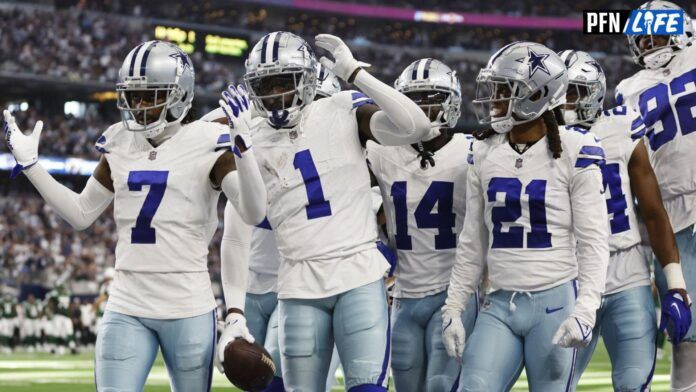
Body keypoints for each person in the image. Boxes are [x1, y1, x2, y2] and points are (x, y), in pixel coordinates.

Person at [3, 40, 266, 391]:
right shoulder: (119, 142)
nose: (139, 106)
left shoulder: (211, 140)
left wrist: (244, 151)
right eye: (133, 96)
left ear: (179, 95)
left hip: (187, 303)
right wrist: (33, 167)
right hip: (127, 299)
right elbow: (82, 214)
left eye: (150, 95)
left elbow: (252, 211)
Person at [238, 31, 431, 391]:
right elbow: (249, 214)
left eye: (285, 82)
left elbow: (415, 126)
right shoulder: (250, 134)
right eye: (265, 85)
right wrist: (240, 151)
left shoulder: (342, 107)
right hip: (297, 283)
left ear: (308, 79)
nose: (275, 95)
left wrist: (356, 72)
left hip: (357, 274)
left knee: (367, 388)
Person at [442, 41, 609, 391]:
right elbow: (473, 241)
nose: (494, 98)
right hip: (500, 302)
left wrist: (585, 310)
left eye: (504, 90)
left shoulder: (575, 150)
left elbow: (593, 240)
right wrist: (453, 309)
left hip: (555, 302)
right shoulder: (485, 152)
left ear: (537, 95)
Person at [560, 49, 691, 390]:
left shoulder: (621, 127)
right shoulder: (540, 141)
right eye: (558, 91)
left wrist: (674, 285)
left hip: (626, 271)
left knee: (634, 384)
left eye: (573, 91)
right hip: (566, 277)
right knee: (555, 384)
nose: (564, 101)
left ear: (593, 92)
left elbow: (652, 211)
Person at [366, 58, 477, 392]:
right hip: (404, 294)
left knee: (441, 386)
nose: (425, 109)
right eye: (415, 101)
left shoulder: (472, 151)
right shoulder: (379, 152)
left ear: (452, 103)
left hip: (453, 292)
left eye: (433, 98)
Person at [615, 1, 695, 389]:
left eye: (656, 33)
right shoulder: (627, 90)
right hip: (674, 214)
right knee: (687, 333)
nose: (648, 43)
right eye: (641, 37)